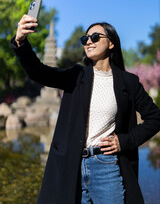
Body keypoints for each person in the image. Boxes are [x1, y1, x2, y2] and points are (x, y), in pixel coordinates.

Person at [11, 15, 160, 204]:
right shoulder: (76, 75)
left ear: (111, 43)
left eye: (95, 37)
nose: (89, 41)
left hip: (106, 167)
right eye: (85, 39)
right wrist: (21, 41)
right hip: (70, 167)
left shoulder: (128, 82)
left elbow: (155, 118)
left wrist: (124, 141)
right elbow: (38, 71)